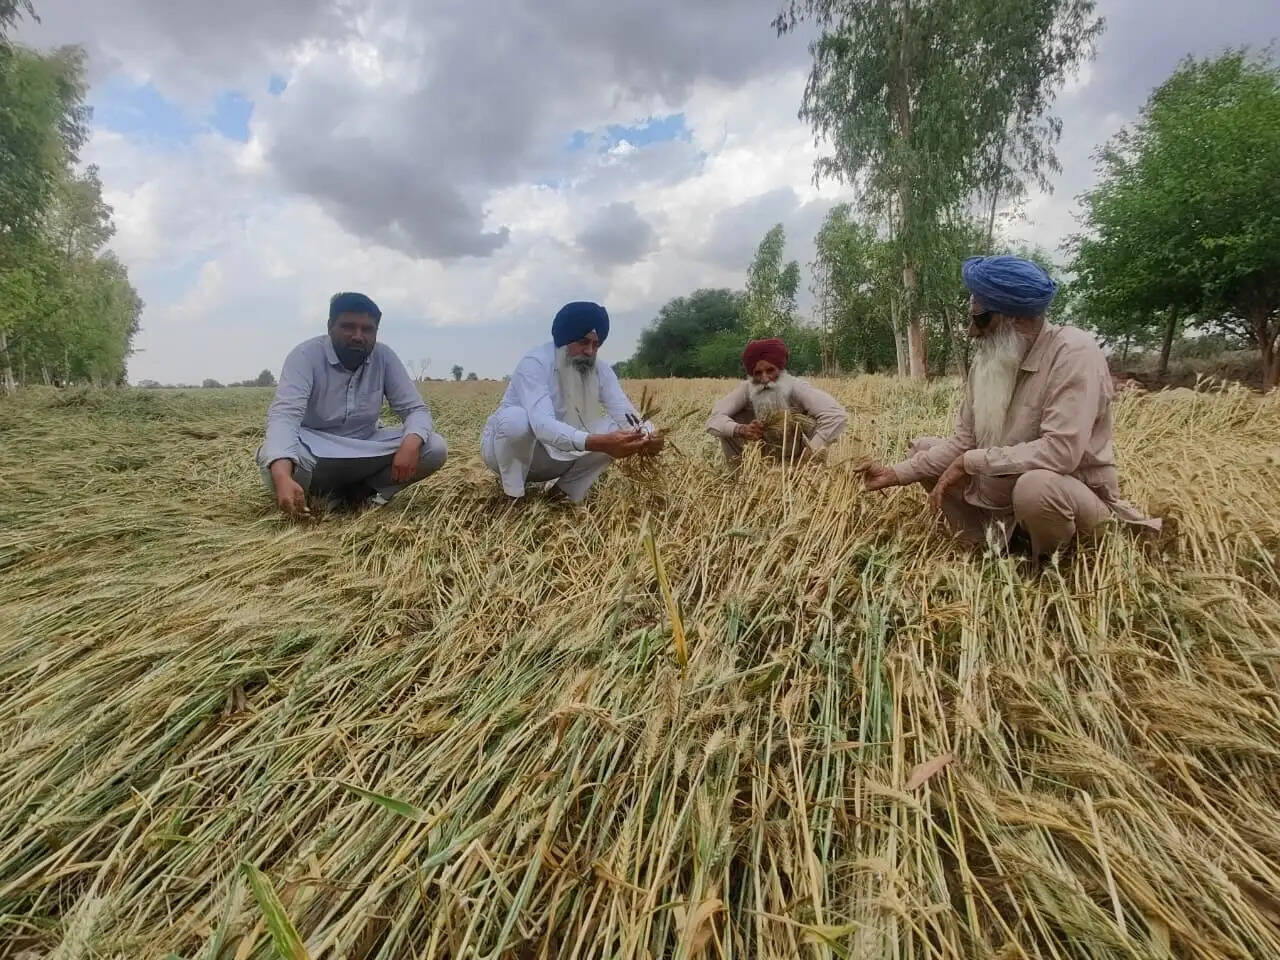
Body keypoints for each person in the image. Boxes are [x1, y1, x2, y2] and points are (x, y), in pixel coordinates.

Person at [863, 255, 1159, 558]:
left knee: (1036, 488)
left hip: (1069, 499)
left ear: (1019, 319)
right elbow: (964, 443)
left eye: (981, 319)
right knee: (923, 451)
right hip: (1002, 497)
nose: (972, 331)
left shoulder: (1073, 353)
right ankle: (986, 545)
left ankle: (1049, 564)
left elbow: (1060, 452)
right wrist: (895, 474)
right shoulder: (989, 363)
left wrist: (971, 462)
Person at [257, 292, 447, 516]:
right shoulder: (305, 356)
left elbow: (415, 410)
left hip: (366, 445)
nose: (358, 336)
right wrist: (282, 475)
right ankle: (309, 499)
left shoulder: (384, 357)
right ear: (330, 326)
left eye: (367, 329)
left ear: (376, 332)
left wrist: (410, 445)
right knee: (275, 460)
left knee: (433, 447)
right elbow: (285, 416)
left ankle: (362, 493)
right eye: (348, 327)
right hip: (315, 450)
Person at [482, 301, 663, 503]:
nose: (590, 351)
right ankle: (513, 497)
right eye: (583, 342)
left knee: (623, 432)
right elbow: (542, 425)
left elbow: (627, 415)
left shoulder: (601, 371)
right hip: (511, 454)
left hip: (559, 459)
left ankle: (562, 494)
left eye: (596, 345)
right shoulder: (535, 363)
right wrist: (598, 442)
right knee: (515, 420)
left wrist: (650, 436)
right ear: (564, 339)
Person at [705, 337, 848, 462]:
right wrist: (741, 429)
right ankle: (740, 477)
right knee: (729, 424)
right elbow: (713, 420)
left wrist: (809, 453)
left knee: (814, 422)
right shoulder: (746, 389)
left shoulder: (796, 387)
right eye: (758, 373)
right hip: (756, 454)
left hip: (797, 454)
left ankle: (806, 472)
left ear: (781, 370)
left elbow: (835, 415)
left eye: (770, 370)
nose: (765, 379)